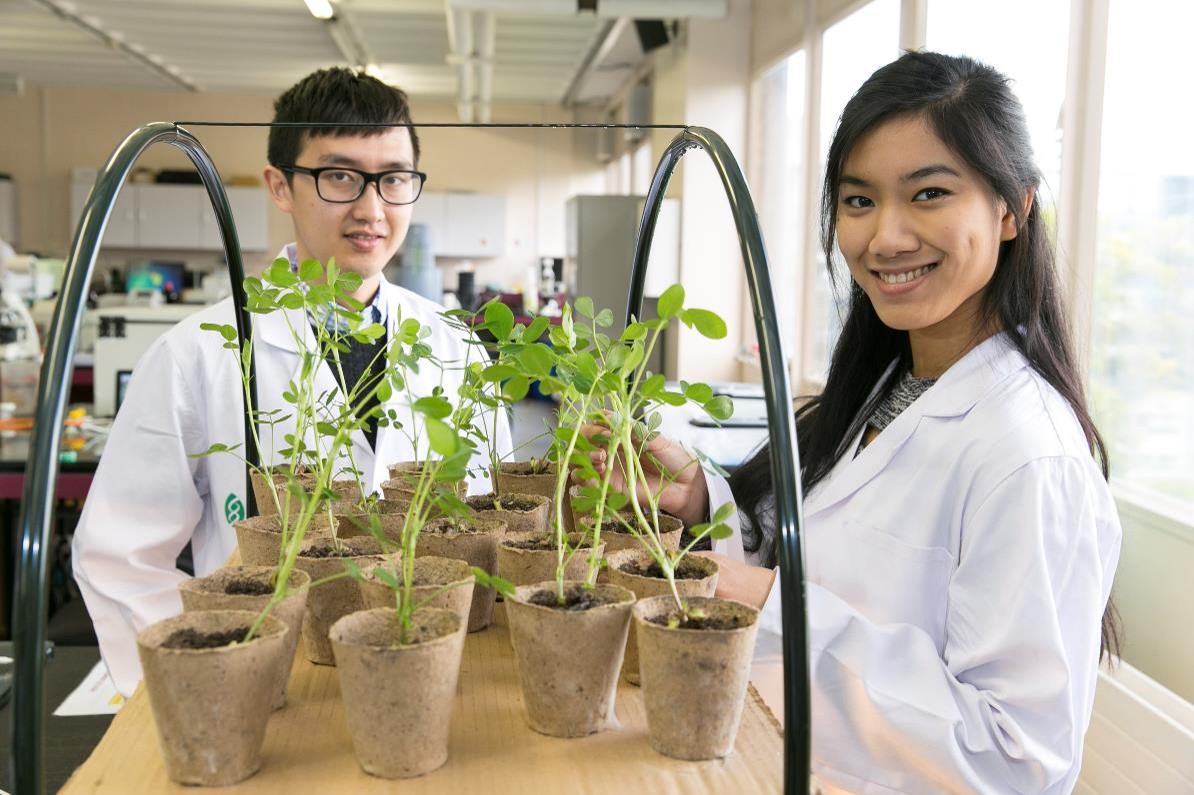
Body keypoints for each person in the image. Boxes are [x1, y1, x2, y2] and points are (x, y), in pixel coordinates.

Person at [593, 52, 1121, 793]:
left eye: (928, 193)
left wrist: (776, 608)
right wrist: (704, 504)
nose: (886, 238)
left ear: (1013, 208)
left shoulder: (1028, 455)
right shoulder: (891, 382)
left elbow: (1016, 759)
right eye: (858, 200)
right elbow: (834, 566)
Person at [73, 67, 511, 697]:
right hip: (265, 689)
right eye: (339, 177)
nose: (371, 209)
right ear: (280, 185)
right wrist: (204, 680)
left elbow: (488, 518)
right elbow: (119, 557)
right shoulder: (196, 353)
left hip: (428, 675)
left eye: (393, 180)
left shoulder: (457, 343)